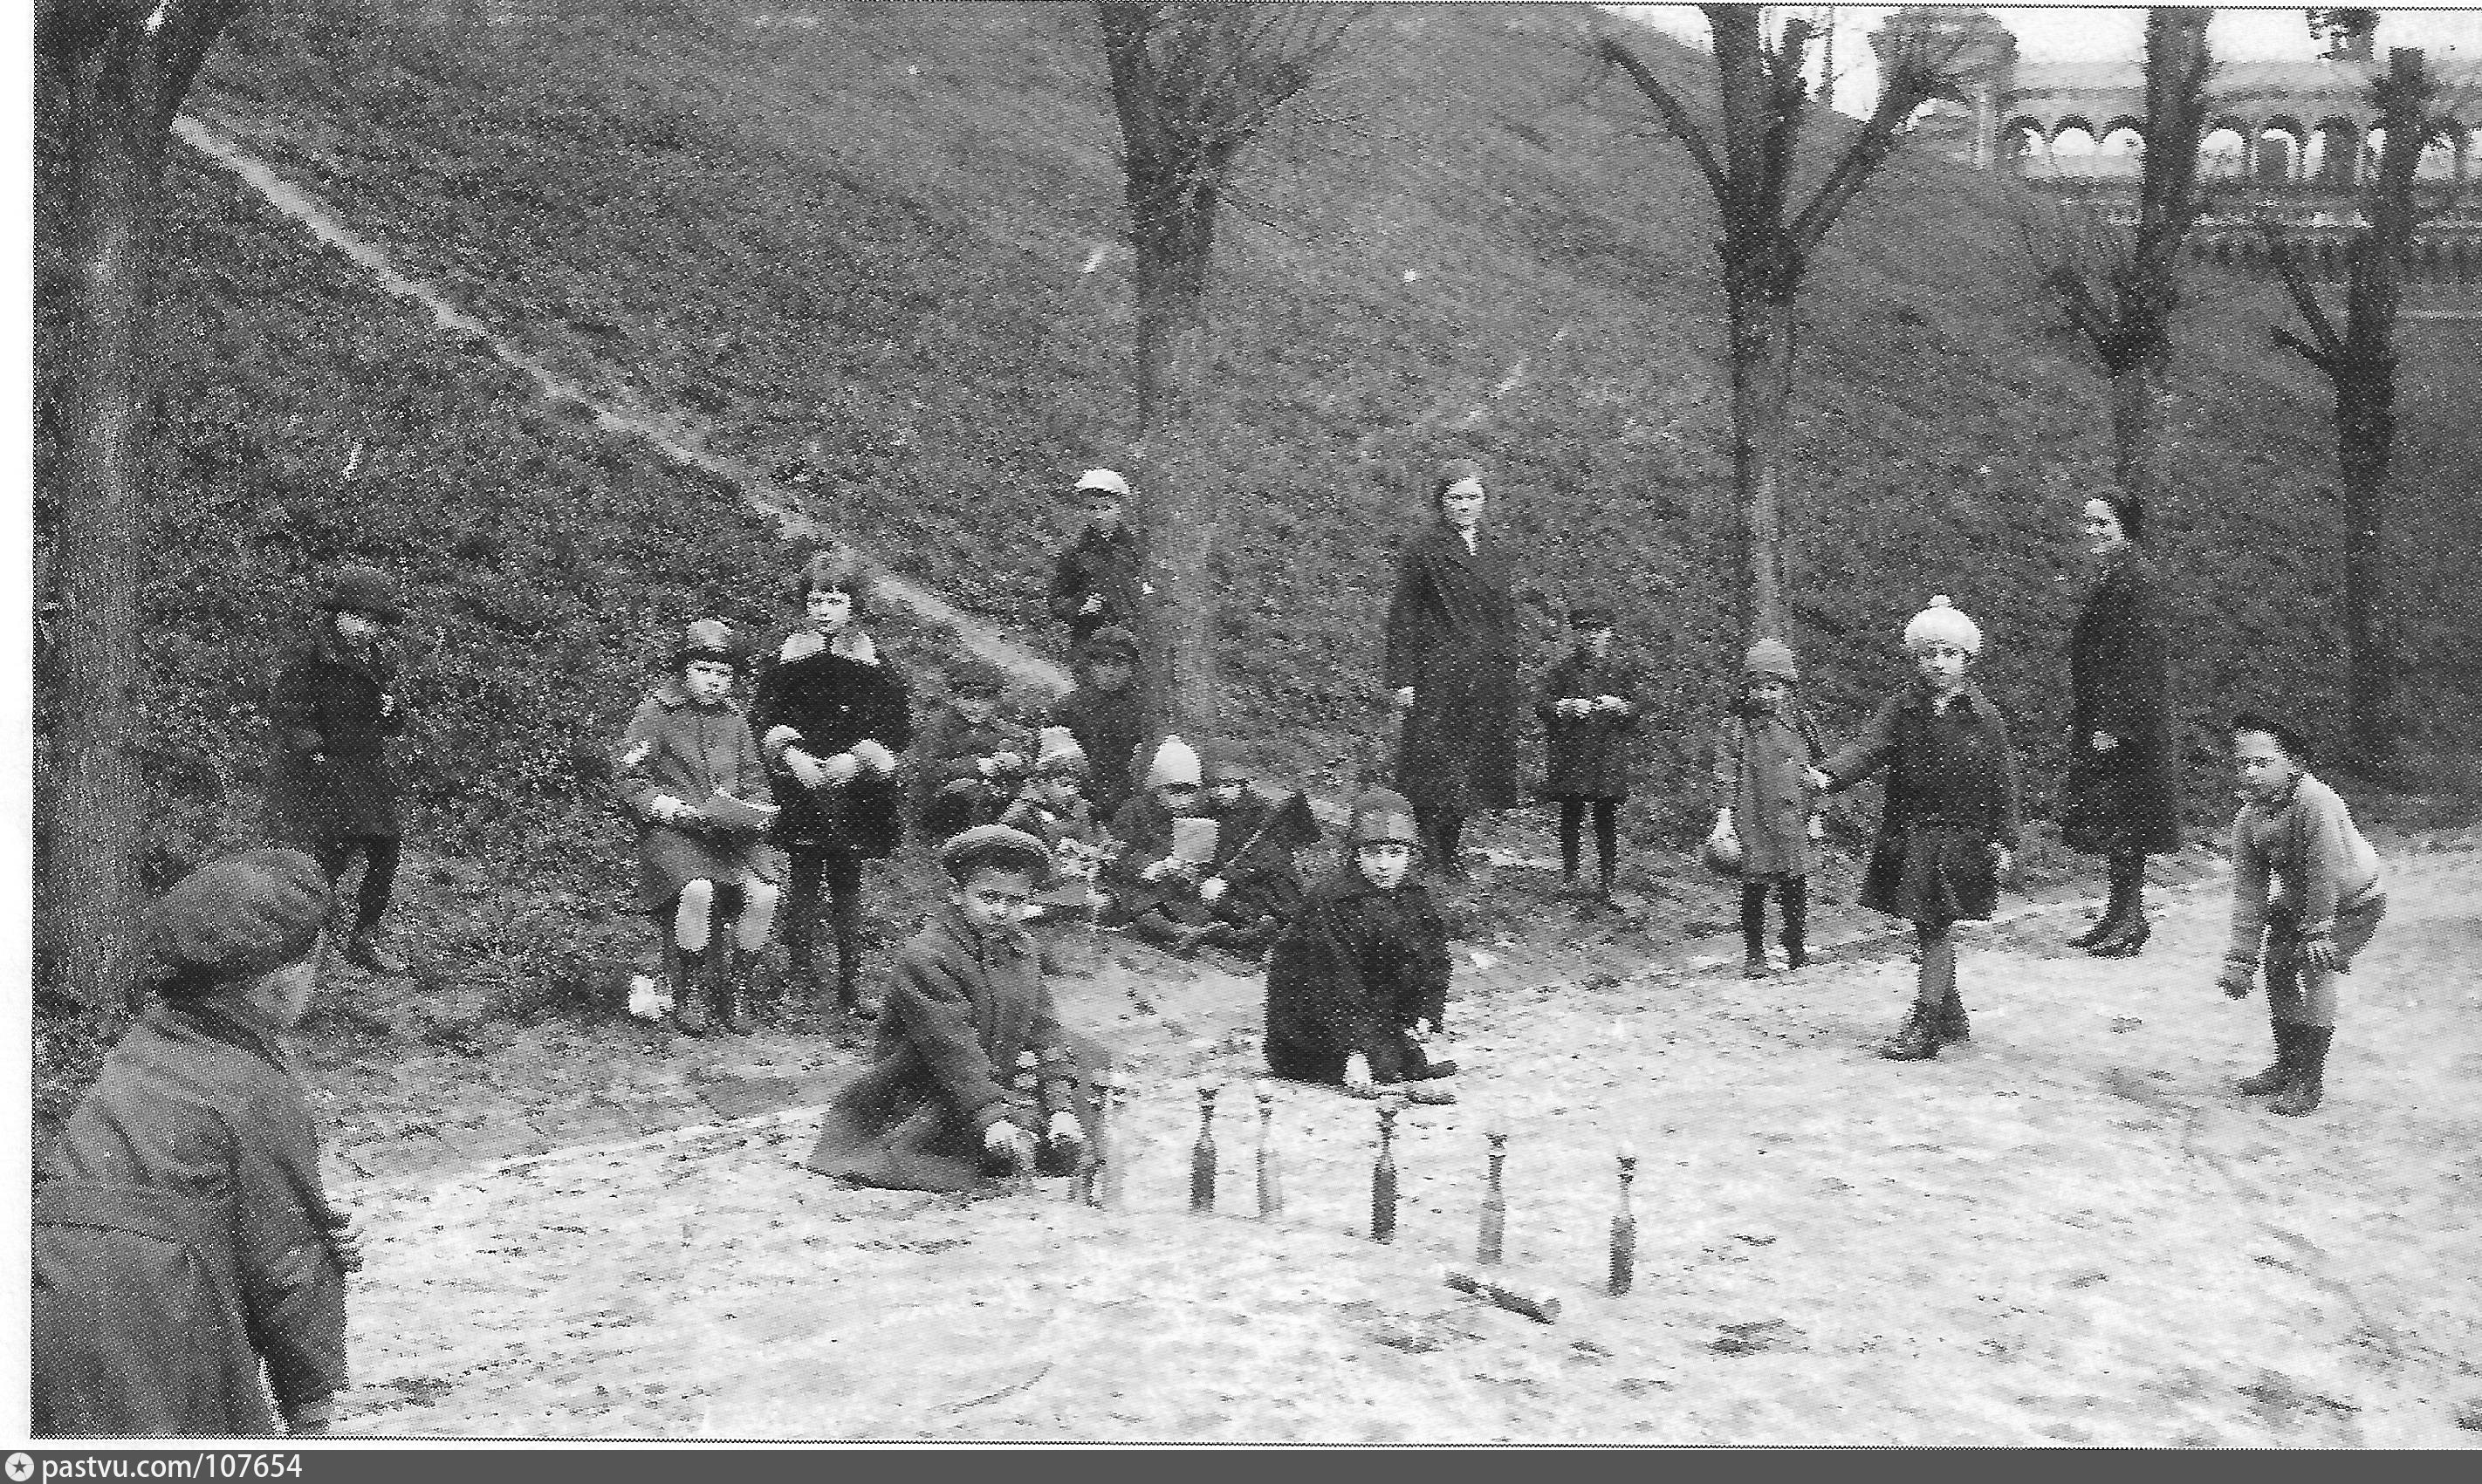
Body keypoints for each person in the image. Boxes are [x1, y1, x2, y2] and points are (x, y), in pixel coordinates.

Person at [34, 849, 358, 1437]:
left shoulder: (139, 1048)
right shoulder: (255, 1088)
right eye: (317, 961)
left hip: (43, 1291)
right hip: (158, 1305)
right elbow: (287, 1261)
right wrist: (311, 1403)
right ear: (282, 982)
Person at [805, 824, 1100, 1192]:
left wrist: (1061, 1108)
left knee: (1085, 1097)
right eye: (989, 897)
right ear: (958, 894)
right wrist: (991, 1115)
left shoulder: (1021, 949)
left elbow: (1046, 1030)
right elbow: (951, 1047)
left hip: (986, 1084)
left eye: (1015, 901)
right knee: (947, 1161)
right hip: (926, 1092)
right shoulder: (927, 957)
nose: (1001, 911)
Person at [1807, 598, 2021, 1061]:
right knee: (1930, 923)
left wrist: (2005, 839)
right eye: (1929, 655)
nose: (1939, 664)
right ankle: (1950, 1013)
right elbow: (1868, 748)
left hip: (1963, 837)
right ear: (1917, 658)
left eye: (1950, 654)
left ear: (1967, 658)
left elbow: (2003, 780)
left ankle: (1924, 1024)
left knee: (1934, 924)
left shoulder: (1984, 717)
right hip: (1913, 832)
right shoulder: (1903, 710)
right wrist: (1829, 775)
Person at [750, 552, 914, 1023]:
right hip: (801, 784)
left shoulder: (874, 663)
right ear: (805, 604)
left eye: (836, 601)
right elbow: (765, 716)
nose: (824, 610)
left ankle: (849, 983)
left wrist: (859, 757)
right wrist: (791, 754)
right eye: (817, 601)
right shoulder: (784, 659)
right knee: (802, 876)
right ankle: (801, 980)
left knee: (847, 881)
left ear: (853, 606)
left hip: (854, 788)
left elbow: (895, 725)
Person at [614, 619, 782, 1037]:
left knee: (766, 894)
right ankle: (688, 991)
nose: (714, 681)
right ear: (684, 670)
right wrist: (669, 808)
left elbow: (754, 778)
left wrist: (757, 810)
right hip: (674, 835)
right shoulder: (656, 713)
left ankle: (734, 990)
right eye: (704, 670)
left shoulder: (735, 719)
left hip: (730, 837)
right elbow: (630, 778)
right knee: (698, 889)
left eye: (723, 673)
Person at [2216, 713, 2386, 1118]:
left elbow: (2325, 871)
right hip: (2300, 905)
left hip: (2351, 903)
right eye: (2243, 764)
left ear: (2293, 763)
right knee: (2276, 970)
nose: (2251, 773)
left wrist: (2319, 930)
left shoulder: (2316, 801)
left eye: (2263, 763)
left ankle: (2308, 1080)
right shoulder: (2248, 819)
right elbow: (2249, 893)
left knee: (2315, 969)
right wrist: (2241, 958)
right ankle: (2288, 1065)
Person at [263, 562, 413, 975]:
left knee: (386, 850)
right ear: (337, 614)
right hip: (325, 772)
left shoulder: (376, 659)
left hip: (367, 770)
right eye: (356, 617)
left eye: (374, 621)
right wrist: (314, 753)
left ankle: (364, 937)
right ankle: (304, 943)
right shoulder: (312, 656)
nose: (364, 628)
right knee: (328, 860)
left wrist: (391, 711)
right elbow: (290, 710)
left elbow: (388, 723)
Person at [1264, 789, 1459, 1104]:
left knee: (1399, 1062)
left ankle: (1389, 1052)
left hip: (1374, 1019)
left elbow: (1434, 962)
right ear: (1356, 854)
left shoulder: (1414, 898)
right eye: (1373, 853)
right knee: (1381, 1066)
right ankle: (1361, 1057)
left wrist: (1424, 1014)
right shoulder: (1332, 903)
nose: (1384, 865)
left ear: (1409, 854)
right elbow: (1333, 985)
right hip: (1313, 1031)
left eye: (1395, 853)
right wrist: (1353, 1051)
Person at [1385, 459, 1531, 882]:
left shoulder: (1495, 551)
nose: (1465, 505)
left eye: (1473, 497)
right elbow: (1404, 616)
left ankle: (1450, 848)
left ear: (1484, 501)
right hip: (1438, 673)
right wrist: (1402, 678)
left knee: (1473, 765)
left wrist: (1507, 666)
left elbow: (1504, 615)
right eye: (1456, 498)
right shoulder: (1423, 549)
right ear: (1441, 503)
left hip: (1486, 676)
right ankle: (1430, 849)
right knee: (1433, 763)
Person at [2060, 489, 2181, 957]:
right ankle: (2119, 915)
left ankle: (2129, 921)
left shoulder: (2136, 579)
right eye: (2088, 523)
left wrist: (2114, 724)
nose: (2092, 532)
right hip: (2111, 716)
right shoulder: (2116, 574)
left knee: (2126, 821)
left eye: (2103, 524)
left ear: (2125, 527)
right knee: (2115, 821)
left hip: (2129, 726)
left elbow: (2139, 660)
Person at [1711, 638, 1827, 977]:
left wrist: (1817, 813)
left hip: (1795, 815)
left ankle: (1796, 948)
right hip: (1753, 815)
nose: (1765, 695)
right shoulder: (1736, 726)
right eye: (1757, 688)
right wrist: (1723, 819)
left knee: (1795, 886)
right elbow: (1725, 774)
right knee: (1754, 887)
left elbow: (1820, 770)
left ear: (1788, 688)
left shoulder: (1802, 722)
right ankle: (1755, 953)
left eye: (1773, 687)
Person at [1537, 601, 1639, 906]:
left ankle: (1607, 882)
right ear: (1575, 634)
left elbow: (1639, 708)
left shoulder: (1621, 671)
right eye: (1584, 629)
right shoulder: (1562, 671)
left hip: (1607, 757)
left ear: (1610, 633)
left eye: (1599, 629)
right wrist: (1566, 706)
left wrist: (1620, 706)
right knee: (1571, 815)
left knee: (1606, 818)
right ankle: (1570, 877)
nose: (1592, 636)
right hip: (1573, 756)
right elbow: (1541, 706)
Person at [1098, 735, 1220, 957]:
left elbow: (1204, 856)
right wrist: (1153, 866)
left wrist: (1193, 870)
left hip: (1177, 887)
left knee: (1199, 906)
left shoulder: (1194, 817)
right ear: (1157, 788)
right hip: (1138, 883)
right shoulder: (1134, 811)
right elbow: (1117, 851)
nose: (1183, 800)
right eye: (1175, 792)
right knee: (1142, 907)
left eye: (1190, 792)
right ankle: (1177, 933)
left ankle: (1217, 935)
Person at [1195, 741, 1315, 958]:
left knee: (1267, 897)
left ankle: (1258, 932)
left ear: (1243, 784)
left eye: (1229, 785)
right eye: (1214, 786)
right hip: (1218, 880)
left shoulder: (1261, 812)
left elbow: (1270, 857)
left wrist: (1229, 878)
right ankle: (1241, 935)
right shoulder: (1205, 812)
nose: (1221, 792)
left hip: (1256, 879)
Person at [912, 659, 1028, 844]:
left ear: (996, 702)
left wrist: (1013, 759)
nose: (976, 706)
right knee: (969, 791)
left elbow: (1019, 749)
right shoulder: (939, 727)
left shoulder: (997, 729)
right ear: (954, 698)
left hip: (989, 798)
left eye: (985, 700)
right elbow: (929, 771)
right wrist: (976, 765)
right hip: (942, 804)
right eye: (969, 698)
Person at [1048, 625, 1146, 824]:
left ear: (1132, 668)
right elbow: (1055, 761)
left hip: (1128, 802)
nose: (1110, 672)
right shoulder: (1068, 708)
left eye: (1118, 664)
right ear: (1092, 667)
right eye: (1103, 663)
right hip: (1077, 799)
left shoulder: (1143, 710)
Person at [1046, 468, 1145, 651]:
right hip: (1090, 639)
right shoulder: (1075, 552)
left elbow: (1151, 589)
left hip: (1134, 639)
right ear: (1083, 510)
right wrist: (1080, 606)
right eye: (1092, 508)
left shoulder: (1136, 549)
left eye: (1106, 508)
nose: (1099, 516)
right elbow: (1056, 598)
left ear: (1119, 508)